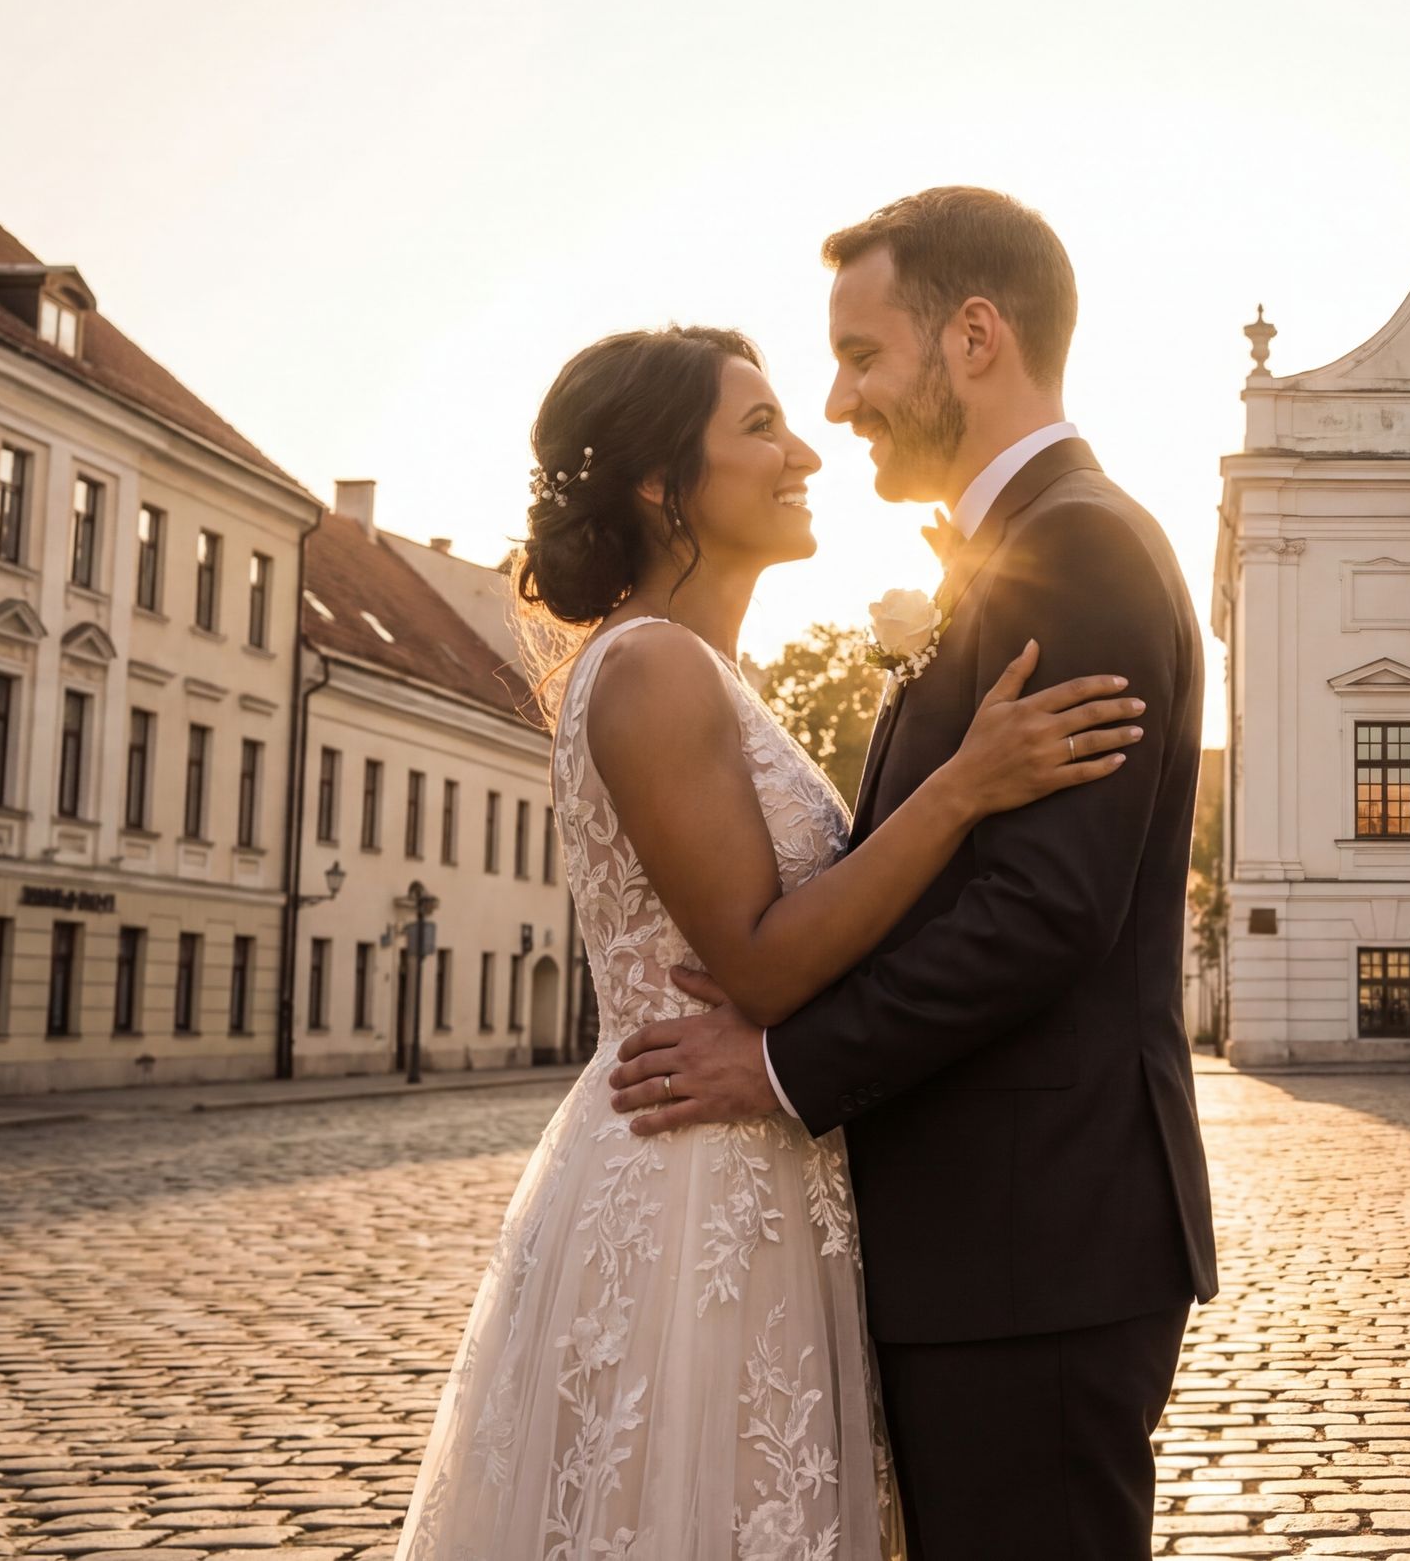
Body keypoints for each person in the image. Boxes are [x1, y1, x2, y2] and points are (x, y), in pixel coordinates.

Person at [394, 322, 1144, 1561]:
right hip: (690, 1183)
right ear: (657, 481)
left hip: (759, 1168)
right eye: (759, 427)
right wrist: (961, 788)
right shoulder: (649, 670)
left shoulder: (706, 673)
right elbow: (761, 962)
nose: (804, 447)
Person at [607, 187, 1218, 1560]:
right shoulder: (1031, 544)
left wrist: (778, 1066)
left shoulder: (1078, 544)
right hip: (997, 1237)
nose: (841, 400)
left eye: (864, 355)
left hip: (1037, 1236)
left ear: (975, 338)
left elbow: (1045, 910)